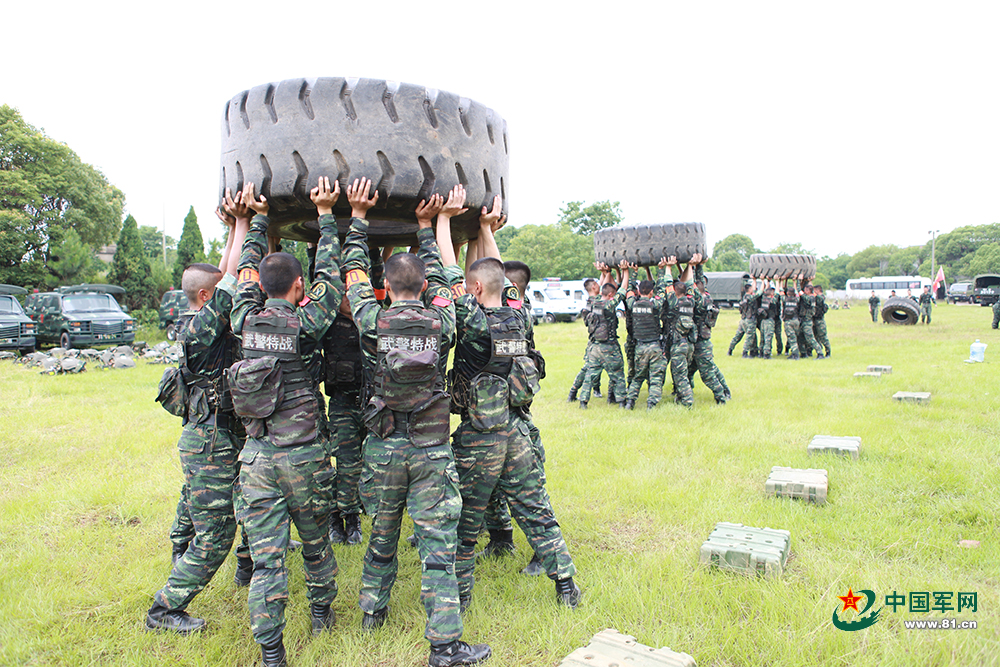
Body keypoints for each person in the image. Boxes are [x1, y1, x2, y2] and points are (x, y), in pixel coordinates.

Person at [341, 180, 491, 667]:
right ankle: (444, 645)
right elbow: (452, 280)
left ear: (386, 285)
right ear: (424, 287)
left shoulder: (370, 318)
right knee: (436, 545)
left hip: (383, 447)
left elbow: (353, 274)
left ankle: (372, 612)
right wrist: (430, 226)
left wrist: (358, 218)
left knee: (381, 535)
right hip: (430, 450)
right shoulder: (442, 321)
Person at [443, 190, 580, 615]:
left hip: (480, 437)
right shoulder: (517, 314)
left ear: (475, 288)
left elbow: (450, 274)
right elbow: (495, 274)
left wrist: (444, 220)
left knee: (465, 522)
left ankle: (460, 602)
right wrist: (485, 229)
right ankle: (566, 585)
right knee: (535, 510)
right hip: (519, 431)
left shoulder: (470, 317)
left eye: (470, 285)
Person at [230, 178, 343, 667]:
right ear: (300, 287)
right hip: (304, 456)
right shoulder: (306, 322)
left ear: (259, 287)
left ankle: (271, 653)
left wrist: (254, 220)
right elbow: (334, 279)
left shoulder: (244, 320)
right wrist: (326, 215)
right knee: (316, 539)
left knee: (267, 558)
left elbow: (242, 273)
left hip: (257, 459)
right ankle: (321, 614)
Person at [145, 198, 249, 635]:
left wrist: (229, 233)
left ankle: (186, 556)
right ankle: (164, 608)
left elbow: (220, 276)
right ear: (205, 298)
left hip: (208, 438)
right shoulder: (201, 327)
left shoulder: (197, 319)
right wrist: (244, 222)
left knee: (200, 509)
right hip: (210, 443)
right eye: (217, 292)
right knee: (215, 536)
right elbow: (227, 280)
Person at [578, 263, 626, 408]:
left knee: (590, 375)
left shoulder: (592, 303)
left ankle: (583, 402)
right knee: (618, 374)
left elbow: (604, 288)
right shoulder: (608, 305)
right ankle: (622, 402)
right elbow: (622, 291)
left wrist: (606, 272)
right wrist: (625, 271)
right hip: (609, 346)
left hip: (595, 347)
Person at [660, 254, 700, 406]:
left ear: (676, 292)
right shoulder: (691, 300)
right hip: (689, 344)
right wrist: (690, 266)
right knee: (684, 372)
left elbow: (668, 285)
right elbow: (690, 283)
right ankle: (680, 397)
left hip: (678, 345)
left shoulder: (674, 303)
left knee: (679, 375)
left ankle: (688, 401)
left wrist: (668, 267)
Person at [690, 264, 729, 402]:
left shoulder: (700, 301)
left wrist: (689, 267)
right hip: (700, 342)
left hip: (701, 344)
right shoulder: (706, 296)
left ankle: (721, 395)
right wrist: (698, 266)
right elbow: (698, 281)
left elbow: (691, 284)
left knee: (707, 374)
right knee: (689, 371)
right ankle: (683, 394)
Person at [567, 278, 603, 401]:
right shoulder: (595, 301)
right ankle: (574, 393)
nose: (600, 286)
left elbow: (600, 286)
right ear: (593, 287)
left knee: (589, 368)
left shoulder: (590, 301)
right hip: (595, 342)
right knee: (588, 369)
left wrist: (604, 273)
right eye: (597, 284)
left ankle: (573, 393)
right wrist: (606, 273)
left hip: (593, 342)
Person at [728, 281, 757, 358]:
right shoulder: (750, 297)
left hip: (743, 319)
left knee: (738, 336)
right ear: (749, 289)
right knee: (750, 336)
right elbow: (758, 293)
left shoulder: (743, 297)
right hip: (749, 319)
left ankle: (730, 349)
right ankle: (745, 352)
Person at [812, 285, 831, 358]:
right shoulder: (817, 298)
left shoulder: (821, 297)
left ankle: (828, 351)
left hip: (820, 321)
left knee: (823, 337)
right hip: (815, 320)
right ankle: (819, 351)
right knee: (816, 337)